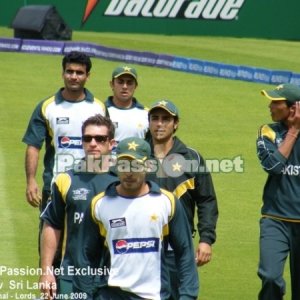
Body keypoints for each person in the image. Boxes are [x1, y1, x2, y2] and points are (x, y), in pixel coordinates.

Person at [74, 137, 199, 300]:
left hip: (155, 296)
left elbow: (185, 253)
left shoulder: (166, 202)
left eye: (136, 165)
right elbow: (85, 257)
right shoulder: (99, 204)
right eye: (123, 165)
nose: (129, 172)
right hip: (110, 295)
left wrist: (188, 296)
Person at [22, 51, 106, 265]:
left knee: (91, 245)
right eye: (69, 71)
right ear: (62, 73)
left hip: (91, 185)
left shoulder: (98, 107)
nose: (74, 76)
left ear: (88, 75)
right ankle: (49, 291)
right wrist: (31, 181)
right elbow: (34, 145)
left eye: (79, 72)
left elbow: (106, 145)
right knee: (51, 247)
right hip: (55, 187)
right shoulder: (47, 107)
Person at [146, 100, 218, 299]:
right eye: (155, 119)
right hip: (141, 247)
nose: (159, 124)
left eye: (166, 119)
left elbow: (206, 200)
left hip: (178, 250)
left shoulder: (192, 158)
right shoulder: (136, 157)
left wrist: (206, 239)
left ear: (175, 123)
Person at [39, 114, 117, 299]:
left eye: (100, 139)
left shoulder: (125, 181)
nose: (92, 143)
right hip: (73, 274)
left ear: (111, 143)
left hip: (116, 276)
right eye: (87, 138)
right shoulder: (66, 180)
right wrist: (46, 270)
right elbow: (51, 224)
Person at [257, 83, 300, 300]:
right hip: (275, 220)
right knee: (271, 277)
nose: (270, 106)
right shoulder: (269, 131)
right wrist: (293, 132)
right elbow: (273, 166)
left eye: (276, 102)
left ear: (293, 109)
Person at [105, 65, 149, 145]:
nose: (125, 86)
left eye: (129, 83)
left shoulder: (147, 114)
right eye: (120, 82)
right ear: (112, 84)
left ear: (136, 86)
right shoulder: (100, 110)